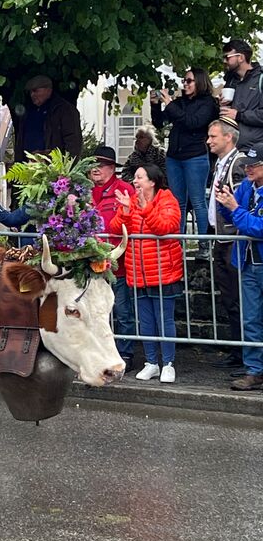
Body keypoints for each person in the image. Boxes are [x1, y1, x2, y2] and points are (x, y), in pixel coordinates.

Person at [109, 164, 183, 383]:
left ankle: (168, 363)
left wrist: (145, 208)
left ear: (152, 181)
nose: (135, 181)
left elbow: (165, 227)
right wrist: (124, 211)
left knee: (165, 321)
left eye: (140, 177)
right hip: (138, 271)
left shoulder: (167, 200)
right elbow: (115, 229)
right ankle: (151, 363)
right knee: (146, 322)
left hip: (163, 272)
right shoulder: (132, 201)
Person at [150, 68, 218, 244]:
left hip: (195, 156)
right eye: (184, 81)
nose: (185, 84)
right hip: (174, 156)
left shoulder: (208, 103)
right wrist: (155, 105)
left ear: (200, 82)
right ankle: (177, 243)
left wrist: (170, 104)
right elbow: (160, 123)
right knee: (177, 201)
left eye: (189, 81)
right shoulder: (180, 102)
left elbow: (192, 122)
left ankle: (205, 244)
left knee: (197, 201)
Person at [214, 148, 263, 390]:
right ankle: (254, 371)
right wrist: (223, 202)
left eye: (254, 165)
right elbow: (235, 218)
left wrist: (233, 208)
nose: (248, 168)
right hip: (247, 263)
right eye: (246, 164)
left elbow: (258, 228)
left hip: (259, 261)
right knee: (251, 319)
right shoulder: (246, 187)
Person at [90, 146, 136, 370]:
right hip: (90, 265)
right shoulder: (85, 191)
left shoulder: (125, 190)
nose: (95, 169)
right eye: (92, 165)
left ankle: (125, 354)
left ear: (111, 168)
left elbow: (134, 221)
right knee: (96, 312)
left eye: (100, 165)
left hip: (118, 265)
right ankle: (98, 354)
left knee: (122, 311)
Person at [206, 118, 247, 369]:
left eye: (213, 136)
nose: (208, 141)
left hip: (233, 239)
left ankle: (246, 354)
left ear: (228, 138)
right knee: (229, 298)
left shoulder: (238, 163)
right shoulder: (220, 164)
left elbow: (241, 202)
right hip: (221, 238)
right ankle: (238, 350)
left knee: (239, 298)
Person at [14, 75, 82, 162]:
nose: (32, 95)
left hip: (52, 167)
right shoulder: (28, 110)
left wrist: (67, 167)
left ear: (48, 89)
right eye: (30, 92)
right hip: (27, 164)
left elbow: (73, 142)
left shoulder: (64, 110)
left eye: (35, 91)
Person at [220, 39, 263, 152]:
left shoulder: (260, 79)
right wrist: (222, 104)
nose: (224, 61)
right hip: (231, 148)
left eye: (228, 57)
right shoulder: (231, 81)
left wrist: (239, 115)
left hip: (255, 150)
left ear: (241, 57)